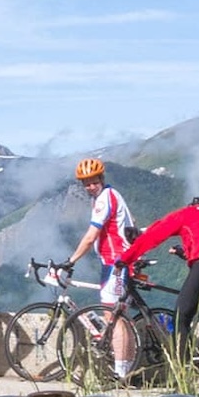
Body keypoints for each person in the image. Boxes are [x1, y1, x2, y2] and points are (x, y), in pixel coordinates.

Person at [115, 195, 199, 371]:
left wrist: (126, 258)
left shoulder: (187, 213)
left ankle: (184, 375)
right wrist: (185, 251)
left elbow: (155, 234)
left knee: (181, 317)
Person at [64, 158, 140, 380]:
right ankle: (126, 367)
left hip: (116, 263)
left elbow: (90, 237)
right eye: (85, 183)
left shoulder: (104, 199)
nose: (90, 187)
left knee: (112, 317)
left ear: (101, 179)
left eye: (93, 182)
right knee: (119, 316)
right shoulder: (111, 195)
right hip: (118, 261)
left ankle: (121, 371)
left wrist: (71, 260)